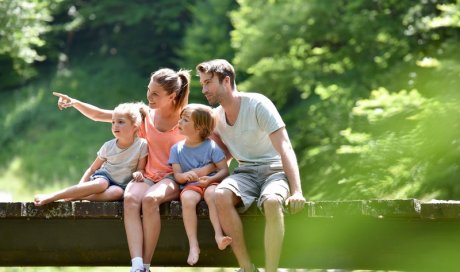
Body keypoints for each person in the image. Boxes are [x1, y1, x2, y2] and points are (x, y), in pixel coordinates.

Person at [52, 68, 213, 272]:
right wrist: (74, 102)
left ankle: (146, 265)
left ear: (172, 96)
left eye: (155, 94)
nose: (149, 97)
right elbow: (100, 115)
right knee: (130, 199)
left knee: (150, 199)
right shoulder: (144, 115)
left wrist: (209, 172)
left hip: (172, 177)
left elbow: (211, 139)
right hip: (146, 175)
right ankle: (136, 265)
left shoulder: (187, 117)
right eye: (148, 90)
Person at [196, 59, 307, 272]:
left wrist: (297, 191)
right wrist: (206, 178)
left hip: (274, 170)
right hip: (245, 172)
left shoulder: (258, 104)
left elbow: (285, 148)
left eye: (208, 83)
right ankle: (247, 268)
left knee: (273, 202)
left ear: (226, 81)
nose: (204, 89)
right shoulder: (217, 118)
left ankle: (271, 270)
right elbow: (224, 157)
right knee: (220, 195)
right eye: (202, 84)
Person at [34, 102, 148, 206]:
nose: (115, 126)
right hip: (104, 178)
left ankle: (75, 196)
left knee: (117, 193)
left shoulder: (142, 145)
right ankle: (53, 196)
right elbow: (93, 169)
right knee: (101, 184)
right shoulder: (108, 146)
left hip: (121, 185)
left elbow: (141, 169)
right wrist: (81, 185)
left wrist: (138, 173)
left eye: (121, 122)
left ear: (135, 126)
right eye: (113, 122)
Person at [168, 103, 232, 266]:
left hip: (211, 183)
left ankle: (218, 235)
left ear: (198, 128)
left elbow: (224, 170)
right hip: (192, 186)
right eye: (181, 119)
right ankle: (193, 245)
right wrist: (184, 176)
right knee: (187, 199)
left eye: (185, 120)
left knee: (212, 194)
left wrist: (211, 179)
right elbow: (177, 176)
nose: (179, 123)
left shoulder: (211, 146)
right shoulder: (176, 149)